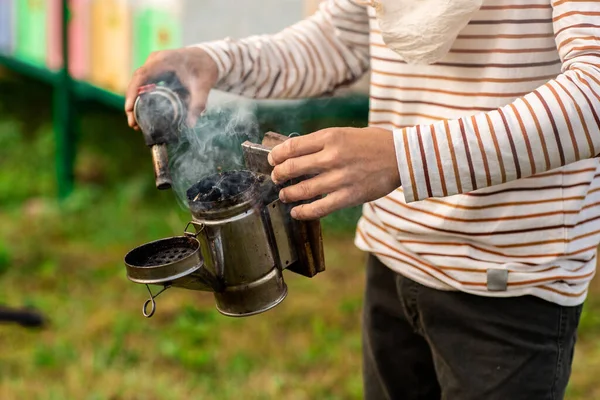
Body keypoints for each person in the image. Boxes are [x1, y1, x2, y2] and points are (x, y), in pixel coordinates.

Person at [125, 1, 600, 398]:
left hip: (508, 279)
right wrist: (215, 60)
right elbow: (342, 39)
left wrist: (402, 157)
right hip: (393, 254)